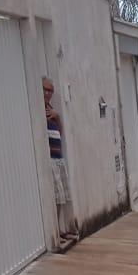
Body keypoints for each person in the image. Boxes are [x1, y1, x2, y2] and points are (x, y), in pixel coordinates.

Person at [42, 77, 77, 243]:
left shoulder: (51, 110)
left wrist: (57, 117)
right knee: (55, 199)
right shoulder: (39, 110)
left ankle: (62, 230)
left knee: (62, 197)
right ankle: (56, 232)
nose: (48, 93)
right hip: (50, 160)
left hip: (59, 158)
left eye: (50, 90)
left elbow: (60, 133)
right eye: (45, 89)